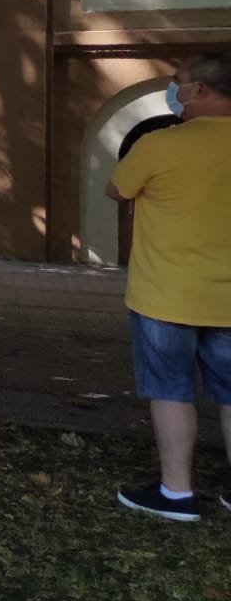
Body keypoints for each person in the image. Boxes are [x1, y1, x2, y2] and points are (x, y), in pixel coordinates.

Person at [107, 52, 231, 522]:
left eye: (178, 81)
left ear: (201, 89)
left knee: (171, 391)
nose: (172, 89)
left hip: (166, 296)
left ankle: (177, 493)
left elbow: (117, 189)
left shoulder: (160, 145)